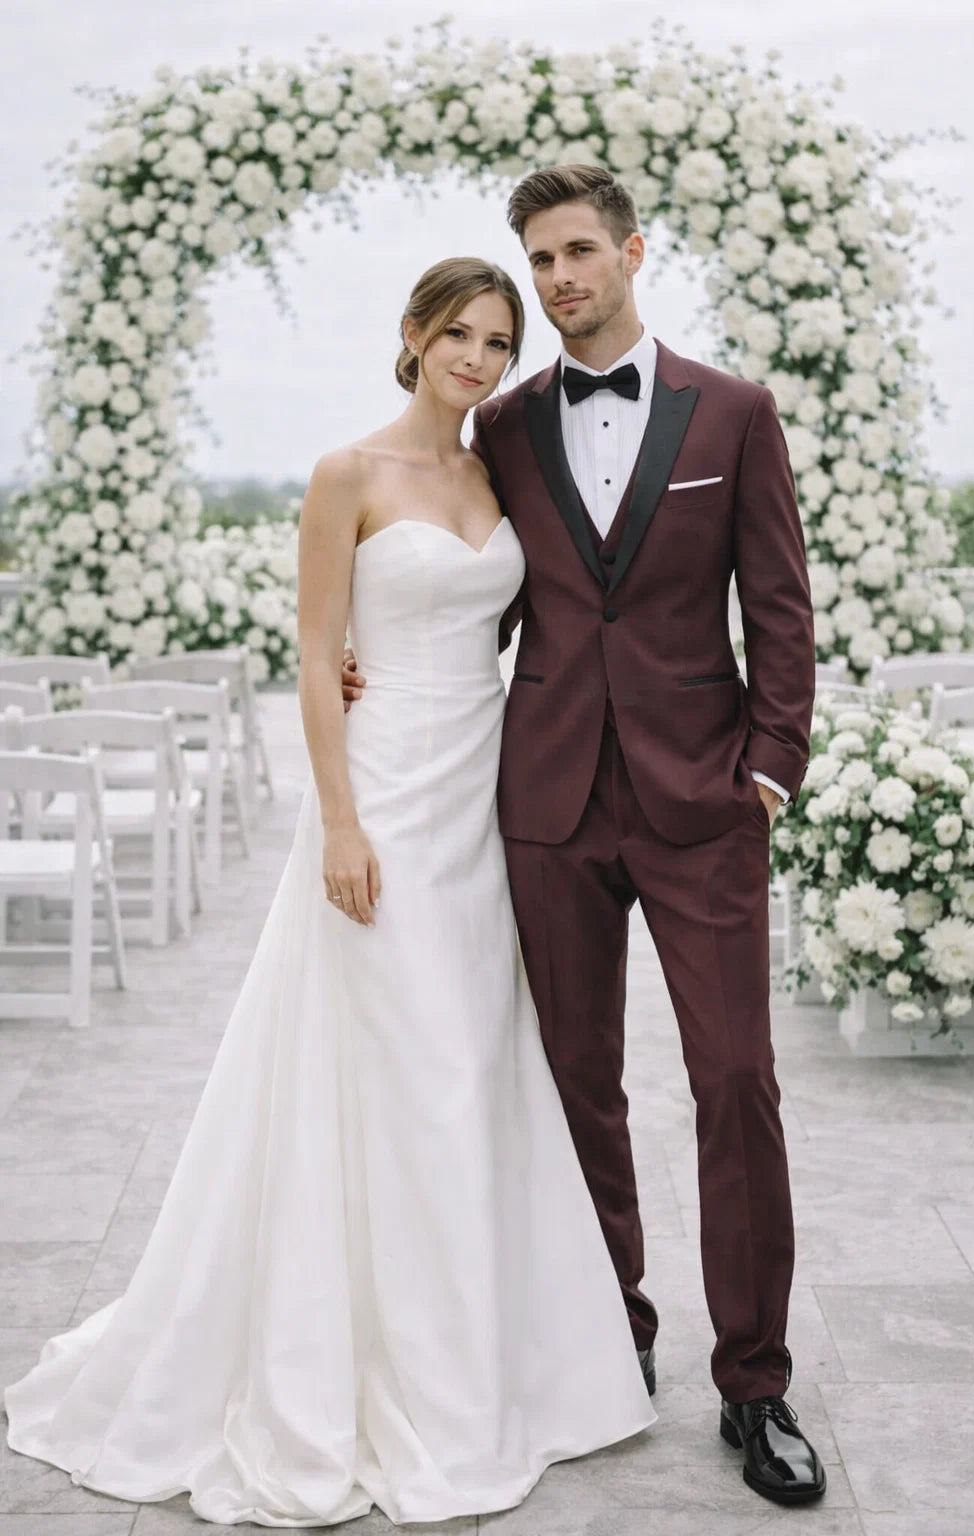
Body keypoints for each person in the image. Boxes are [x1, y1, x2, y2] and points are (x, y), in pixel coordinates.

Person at [3, 256, 656, 1527]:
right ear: (408, 337)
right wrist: (339, 823)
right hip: (388, 797)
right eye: (456, 333)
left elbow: (542, 617)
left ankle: (485, 1359)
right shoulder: (345, 475)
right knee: (392, 1068)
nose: (476, 356)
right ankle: (367, 1364)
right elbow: (314, 659)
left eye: (496, 338)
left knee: (475, 1065)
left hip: (487, 797)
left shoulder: (497, 471)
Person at [346, 165, 826, 1506]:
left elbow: (780, 609)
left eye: (573, 254)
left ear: (628, 251)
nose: (554, 280)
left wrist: (770, 773)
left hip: (702, 808)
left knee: (737, 1082)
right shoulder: (499, 426)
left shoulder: (732, 412)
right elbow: (464, 579)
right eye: (536, 260)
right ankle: (611, 1336)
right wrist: (358, 659)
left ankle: (758, 1383)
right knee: (575, 1089)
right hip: (545, 805)